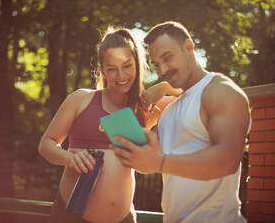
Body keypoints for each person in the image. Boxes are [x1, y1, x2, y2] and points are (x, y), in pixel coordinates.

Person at [110, 21, 251, 223]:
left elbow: (228, 160)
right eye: (157, 64)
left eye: (167, 58)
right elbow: (146, 165)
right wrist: (129, 144)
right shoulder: (168, 111)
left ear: (188, 47)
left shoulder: (220, 90)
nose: (163, 69)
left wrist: (160, 162)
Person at [38, 27, 179, 223]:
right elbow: (46, 144)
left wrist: (165, 87)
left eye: (127, 66)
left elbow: (201, 96)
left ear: (137, 65)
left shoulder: (145, 108)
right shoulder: (81, 99)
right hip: (70, 217)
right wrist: (69, 157)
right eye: (112, 68)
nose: (120, 75)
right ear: (102, 70)